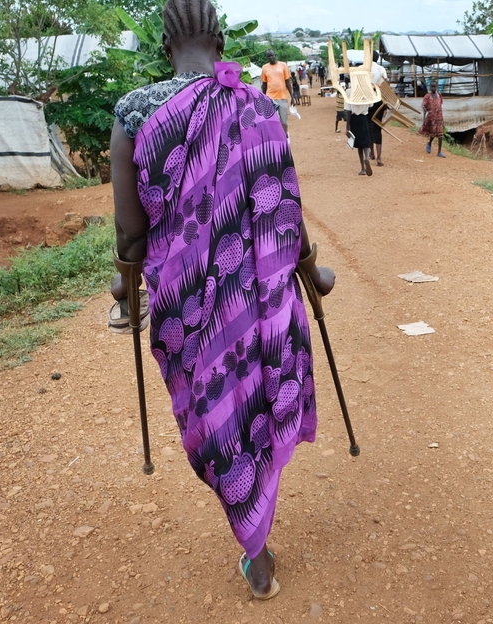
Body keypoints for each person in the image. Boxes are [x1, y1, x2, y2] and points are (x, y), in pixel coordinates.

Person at [109, 0, 336, 600]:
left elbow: (131, 234)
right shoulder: (262, 107)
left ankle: (255, 549)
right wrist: (313, 270)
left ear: (163, 45)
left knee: (219, 420)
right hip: (262, 302)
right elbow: (284, 207)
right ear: (220, 39)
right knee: (261, 407)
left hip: (191, 315)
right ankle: (257, 536)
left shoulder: (134, 113)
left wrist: (122, 287)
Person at [260, 48, 292, 135]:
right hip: (270, 97)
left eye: (272, 55)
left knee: (284, 121)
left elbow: (288, 82)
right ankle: (275, 138)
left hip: (282, 97)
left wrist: (292, 96)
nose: (270, 58)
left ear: (275, 55)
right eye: (268, 56)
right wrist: (263, 97)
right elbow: (264, 84)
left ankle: (284, 137)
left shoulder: (283, 65)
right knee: (272, 120)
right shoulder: (265, 68)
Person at [368, 50, 388, 167]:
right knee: (377, 127)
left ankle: (371, 153)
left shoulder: (364, 69)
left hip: (368, 100)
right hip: (379, 101)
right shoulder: (381, 69)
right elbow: (385, 84)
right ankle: (379, 158)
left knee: (369, 126)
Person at [419, 81, 444, 158]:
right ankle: (429, 143)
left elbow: (440, 105)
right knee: (433, 133)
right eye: (431, 86)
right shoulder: (427, 96)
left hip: (439, 117)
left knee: (440, 134)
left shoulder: (439, 96)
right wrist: (424, 119)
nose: (433, 88)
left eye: (434, 86)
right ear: (430, 87)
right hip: (431, 117)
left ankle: (439, 151)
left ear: (436, 87)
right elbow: (424, 107)